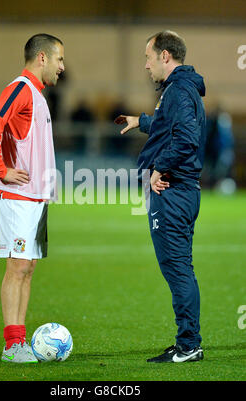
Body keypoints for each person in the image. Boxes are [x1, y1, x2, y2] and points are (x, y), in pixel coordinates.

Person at [115, 30, 206, 363]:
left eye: (148, 57)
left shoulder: (178, 91)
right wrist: (141, 121)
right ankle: (187, 341)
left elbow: (186, 139)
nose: (146, 64)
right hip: (181, 189)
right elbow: (171, 127)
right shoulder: (182, 89)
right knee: (180, 268)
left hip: (172, 189)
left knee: (178, 269)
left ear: (165, 56)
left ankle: (188, 345)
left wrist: (159, 167)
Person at [0, 33, 65, 363]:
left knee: (27, 267)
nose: (63, 67)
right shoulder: (21, 88)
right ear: (42, 58)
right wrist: (0, 170)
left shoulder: (38, 96)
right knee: (17, 267)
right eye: (59, 59)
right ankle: (12, 345)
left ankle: (19, 341)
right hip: (17, 196)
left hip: (35, 198)